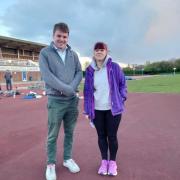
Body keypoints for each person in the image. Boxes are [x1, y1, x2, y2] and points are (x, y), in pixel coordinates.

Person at [39, 22, 83, 180]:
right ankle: (50, 164)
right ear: (53, 36)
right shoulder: (45, 53)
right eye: (59, 36)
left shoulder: (73, 54)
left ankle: (67, 159)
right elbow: (47, 76)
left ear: (68, 37)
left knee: (70, 132)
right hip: (56, 101)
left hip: (72, 101)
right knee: (53, 135)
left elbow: (79, 72)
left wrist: (71, 88)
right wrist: (67, 88)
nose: (62, 39)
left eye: (65, 37)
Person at [83, 42, 127, 176]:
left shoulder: (114, 67)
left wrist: (122, 98)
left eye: (101, 50)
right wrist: (87, 110)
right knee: (101, 136)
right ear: (93, 53)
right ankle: (104, 162)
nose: (99, 52)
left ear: (106, 52)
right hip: (97, 109)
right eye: (96, 50)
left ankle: (112, 162)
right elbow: (87, 91)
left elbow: (122, 84)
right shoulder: (90, 70)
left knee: (112, 136)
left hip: (112, 109)